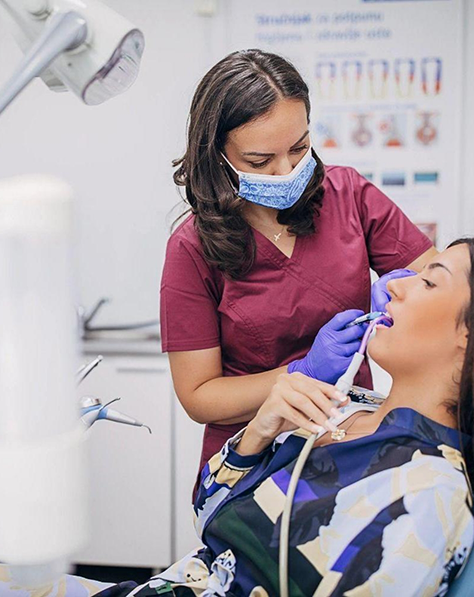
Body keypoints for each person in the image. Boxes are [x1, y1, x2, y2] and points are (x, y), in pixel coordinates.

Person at [5, 237, 474, 596]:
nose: (394, 282)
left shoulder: (426, 494)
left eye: (428, 280)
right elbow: (208, 516)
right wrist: (259, 431)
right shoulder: (339, 407)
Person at [160, 49, 436, 490]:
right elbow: (199, 397)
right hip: (253, 458)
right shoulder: (192, 249)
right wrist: (301, 372)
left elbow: (445, 285)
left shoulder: (348, 196)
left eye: (299, 147)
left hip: (350, 434)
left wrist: (414, 290)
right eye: (259, 161)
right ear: (217, 154)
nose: (286, 170)